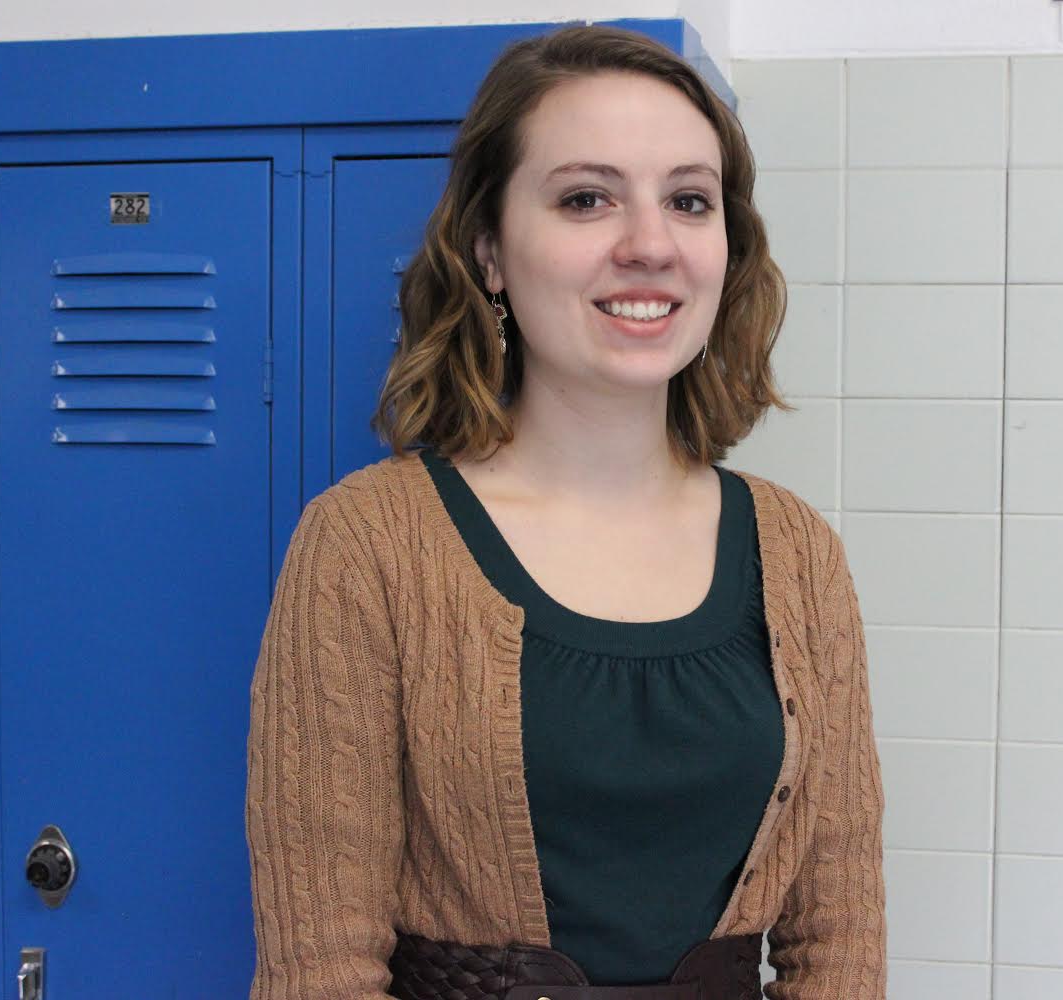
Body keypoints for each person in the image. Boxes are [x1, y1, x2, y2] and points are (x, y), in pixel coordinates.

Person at [244, 23, 885, 1000]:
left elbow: (840, 947)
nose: (650, 245)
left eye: (689, 200)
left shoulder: (797, 553)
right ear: (489, 251)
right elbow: (319, 969)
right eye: (587, 198)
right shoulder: (368, 545)